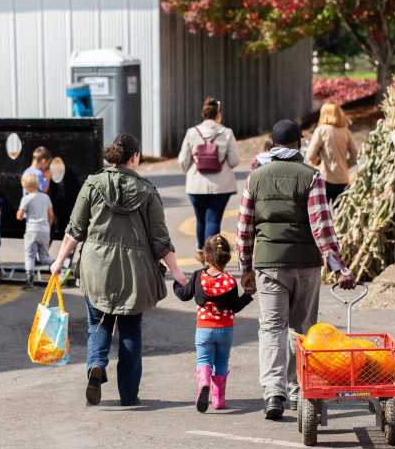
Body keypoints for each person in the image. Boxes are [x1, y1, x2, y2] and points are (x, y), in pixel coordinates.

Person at [50, 133, 186, 407]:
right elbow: (160, 240)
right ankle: (128, 394)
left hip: (95, 267)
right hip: (134, 273)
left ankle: (96, 366)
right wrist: (178, 273)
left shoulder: (92, 183)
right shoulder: (147, 190)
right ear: (134, 157)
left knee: (97, 323)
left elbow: (75, 229)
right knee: (130, 331)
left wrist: (59, 261)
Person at [236, 119, 356, 421]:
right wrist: (338, 266)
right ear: (298, 144)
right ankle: (296, 389)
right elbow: (322, 227)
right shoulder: (311, 177)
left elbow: (244, 228)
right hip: (305, 264)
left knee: (271, 327)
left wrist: (245, 268)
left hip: (268, 265)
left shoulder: (256, 177)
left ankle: (272, 392)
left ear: (273, 144)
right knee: (302, 329)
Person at [174, 234, 253, 413]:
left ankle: (203, 382)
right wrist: (248, 295)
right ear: (226, 257)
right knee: (222, 361)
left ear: (206, 256)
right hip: (225, 329)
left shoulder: (197, 277)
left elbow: (184, 295)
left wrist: (177, 285)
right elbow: (235, 307)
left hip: (204, 329)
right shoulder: (230, 282)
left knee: (204, 360)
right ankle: (218, 400)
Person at [178, 97, 240, 264]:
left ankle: (200, 250)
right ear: (218, 114)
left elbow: (183, 160)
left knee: (200, 219)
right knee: (213, 219)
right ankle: (211, 258)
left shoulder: (192, 132)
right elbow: (234, 161)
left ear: (203, 114)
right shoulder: (227, 133)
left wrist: (190, 171)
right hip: (220, 186)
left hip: (196, 184)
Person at [306, 102, 358, 204]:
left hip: (326, 178)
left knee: (324, 214)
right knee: (339, 215)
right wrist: (346, 165)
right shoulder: (346, 131)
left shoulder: (321, 130)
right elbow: (355, 155)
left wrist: (317, 162)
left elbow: (310, 155)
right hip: (343, 179)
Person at [16, 173, 54, 290]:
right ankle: (58, 264)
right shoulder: (46, 197)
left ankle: (29, 282)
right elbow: (51, 215)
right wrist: (48, 226)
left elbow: (19, 216)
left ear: (25, 186)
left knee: (30, 255)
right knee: (43, 257)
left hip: (32, 230)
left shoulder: (26, 198)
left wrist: (22, 214)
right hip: (45, 230)